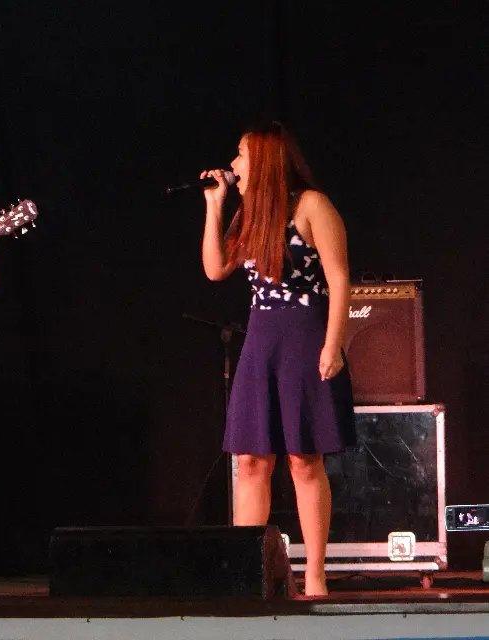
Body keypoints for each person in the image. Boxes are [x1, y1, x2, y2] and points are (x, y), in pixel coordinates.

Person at [200, 121, 355, 596]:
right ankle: (249, 573)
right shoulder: (250, 214)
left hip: (304, 336)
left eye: (241, 155)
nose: (233, 164)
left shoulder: (312, 205)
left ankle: (315, 574)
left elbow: (339, 278)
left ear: (265, 160)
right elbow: (215, 269)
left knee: (304, 458)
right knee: (251, 459)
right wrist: (214, 206)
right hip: (261, 340)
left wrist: (333, 343)